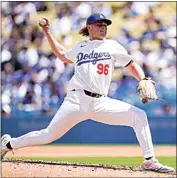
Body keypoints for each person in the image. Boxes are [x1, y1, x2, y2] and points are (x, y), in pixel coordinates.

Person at [1, 13, 174, 173]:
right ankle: (8, 143)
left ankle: (149, 160)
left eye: (105, 24)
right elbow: (62, 54)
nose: (103, 27)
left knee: (139, 115)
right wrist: (47, 33)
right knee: (48, 135)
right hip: (76, 100)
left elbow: (130, 64)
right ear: (89, 27)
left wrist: (142, 78)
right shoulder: (80, 46)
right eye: (99, 24)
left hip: (101, 102)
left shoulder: (112, 45)